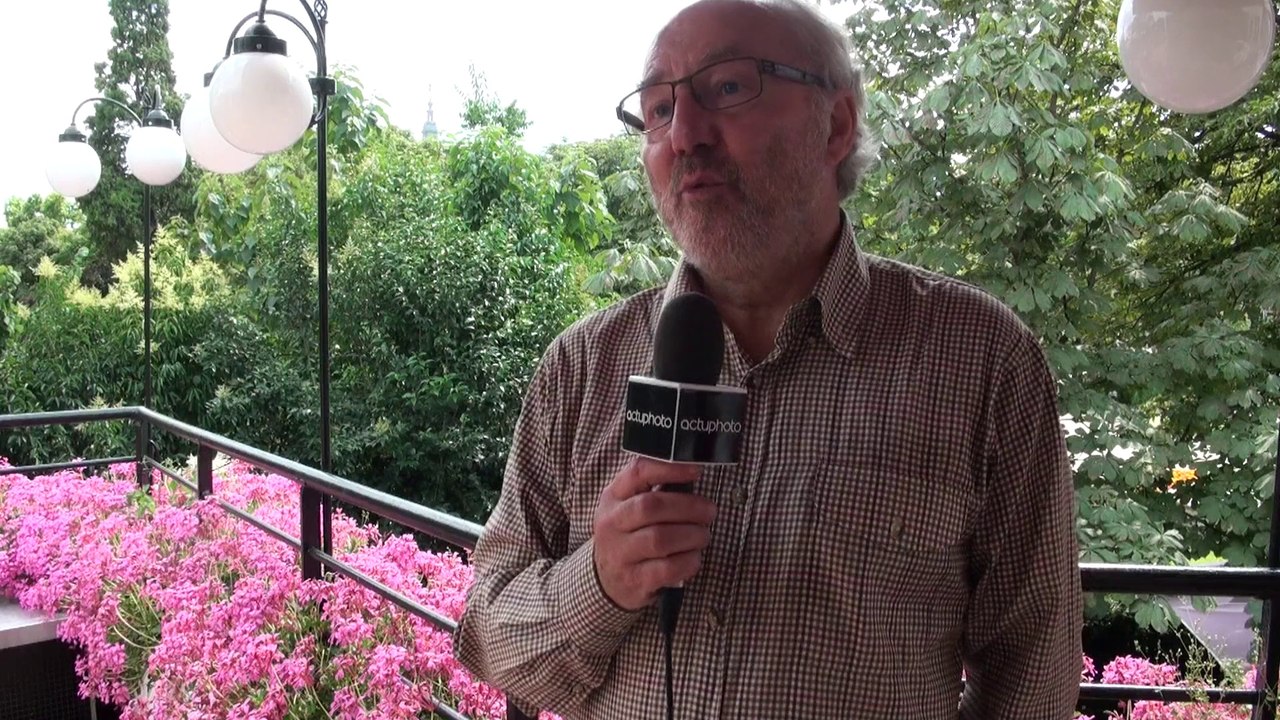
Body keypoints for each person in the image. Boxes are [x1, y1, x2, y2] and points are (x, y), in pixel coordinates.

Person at [453, 0, 1084, 717]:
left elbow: (1032, 675)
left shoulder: (983, 360)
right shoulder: (580, 367)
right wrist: (599, 583)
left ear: (835, 125)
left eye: (727, 87)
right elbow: (489, 639)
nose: (683, 134)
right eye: (658, 109)